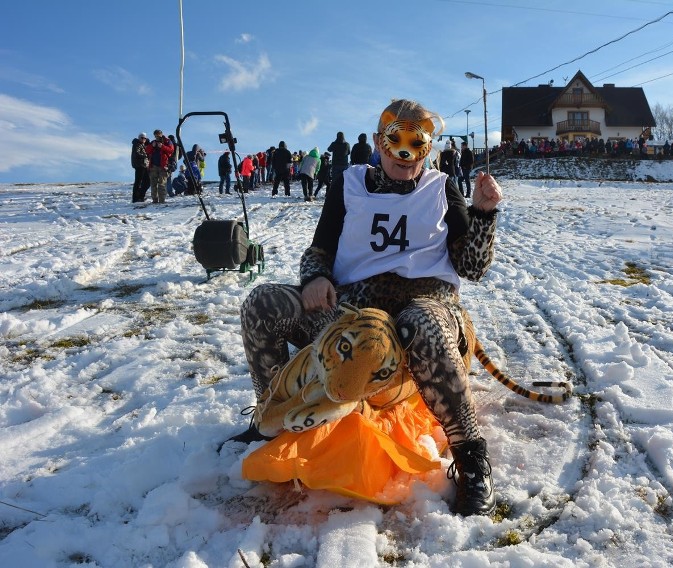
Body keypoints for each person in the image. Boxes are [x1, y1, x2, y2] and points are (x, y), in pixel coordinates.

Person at [237, 98, 503, 516]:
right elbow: (320, 248)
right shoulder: (348, 182)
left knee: (423, 323)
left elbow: (471, 267)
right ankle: (272, 417)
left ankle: (471, 458)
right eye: (394, 140)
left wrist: (484, 214)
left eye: (415, 144)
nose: (403, 154)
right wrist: (316, 278)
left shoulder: (441, 188)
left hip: (422, 309)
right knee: (263, 303)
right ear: (379, 142)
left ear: (428, 149)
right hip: (350, 315)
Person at [145, 130, 174, 204]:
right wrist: (152, 146)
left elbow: (171, 150)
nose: (157, 137)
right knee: (153, 184)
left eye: (158, 135)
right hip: (153, 166)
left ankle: (162, 201)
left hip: (163, 166)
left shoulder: (167, 141)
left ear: (161, 134)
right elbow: (147, 151)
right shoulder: (153, 142)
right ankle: (154, 200)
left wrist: (162, 146)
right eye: (155, 136)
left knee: (162, 184)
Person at [131, 133, 150, 203]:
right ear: (139, 138)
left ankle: (140, 196)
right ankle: (136, 198)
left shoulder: (141, 144)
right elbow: (137, 153)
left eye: (145, 138)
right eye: (142, 138)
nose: (143, 139)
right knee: (138, 182)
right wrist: (145, 156)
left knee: (146, 181)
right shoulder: (137, 144)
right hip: (140, 165)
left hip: (143, 165)